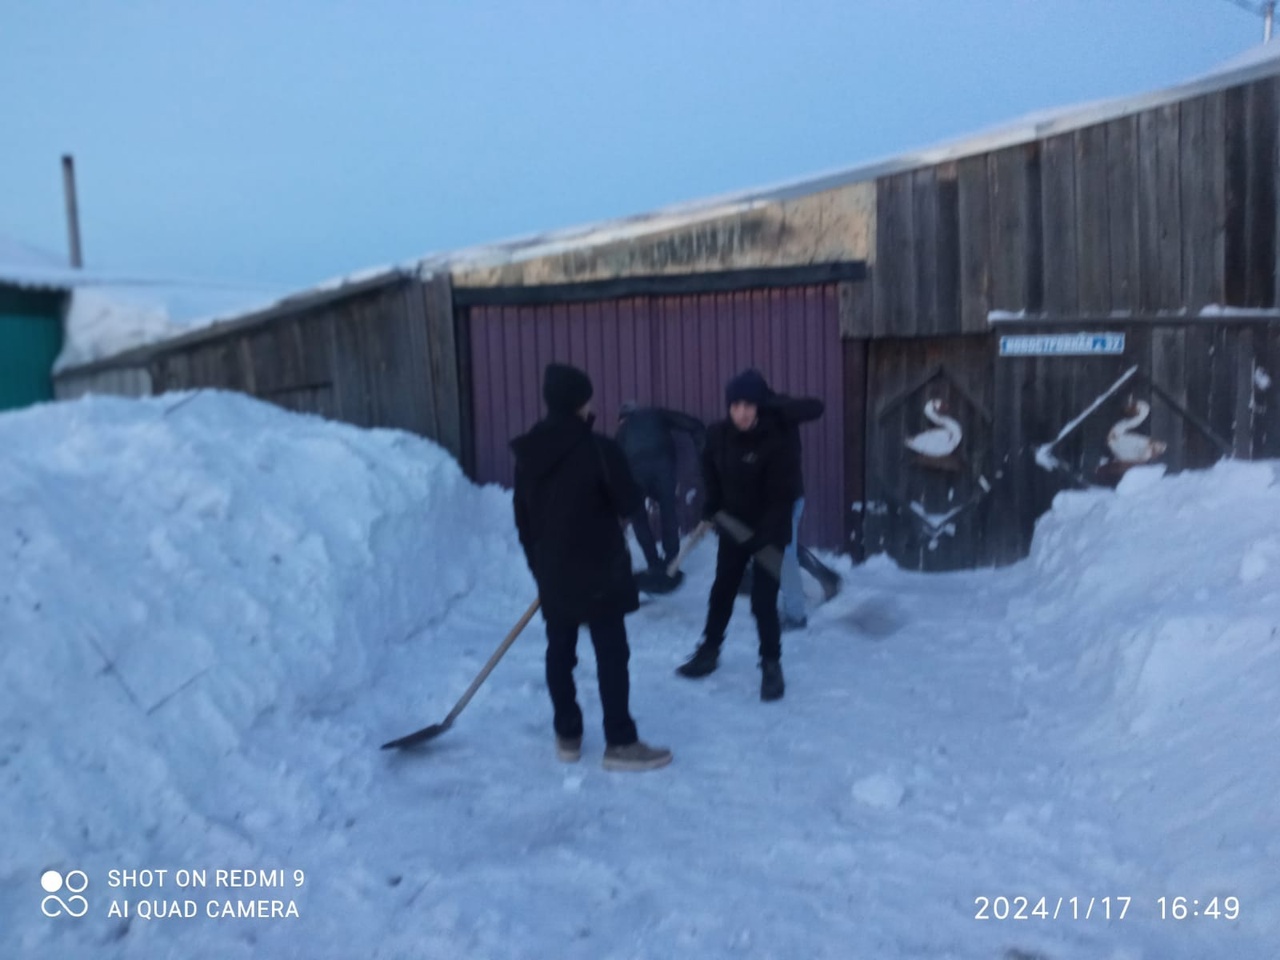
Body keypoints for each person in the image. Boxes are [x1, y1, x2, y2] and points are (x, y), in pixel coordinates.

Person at [511, 363, 672, 771]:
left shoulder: (529, 454)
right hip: (601, 572)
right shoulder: (600, 449)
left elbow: (523, 521)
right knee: (611, 654)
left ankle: (568, 735)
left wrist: (541, 569)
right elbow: (632, 505)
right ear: (582, 403)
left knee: (559, 651)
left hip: (555, 573)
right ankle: (620, 741)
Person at [676, 369, 800, 702]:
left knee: (763, 601)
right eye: (735, 405)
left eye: (749, 405)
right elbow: (710, 472)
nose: (742, 412)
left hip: (769, 530)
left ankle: (771, 664)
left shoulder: (776, 440)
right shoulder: (717, 436)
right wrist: (712, 506)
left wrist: (766, 536)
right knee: (722, 590)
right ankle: (709, 651)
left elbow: (783, 495)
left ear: (759, 407)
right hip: (733, 525)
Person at [615, 402, 706, 587]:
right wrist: (701, 448)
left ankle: (653, 563)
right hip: (663, 466)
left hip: (635, 472)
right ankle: (672, 560)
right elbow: (693, 424)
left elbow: (615, 461)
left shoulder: (622, 430)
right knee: (668, 510)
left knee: (638, 517)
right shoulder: (657, 413)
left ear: (623, 418)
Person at [759, 391, 825, 631]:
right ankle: (786, 605)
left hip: (785, 500)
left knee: (785, 556)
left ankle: (796, 615)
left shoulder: (781, 413)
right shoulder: (765, 419)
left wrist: (774, 404)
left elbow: (816, 406)